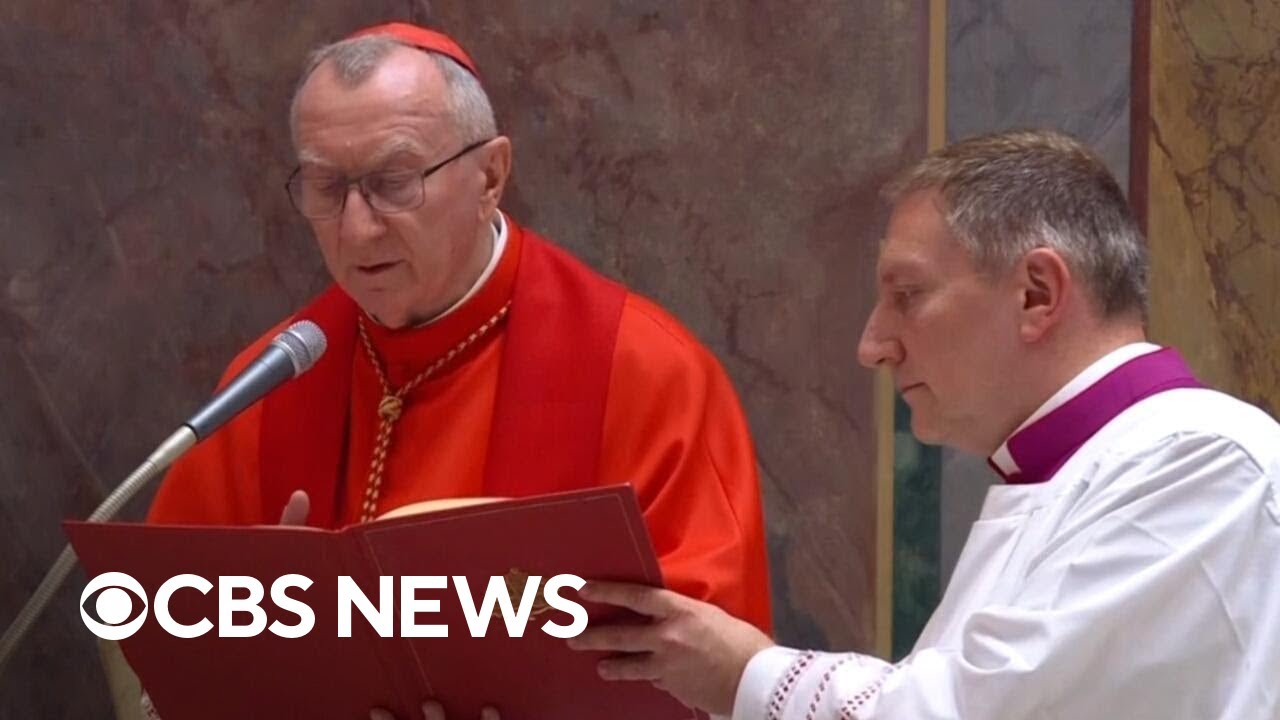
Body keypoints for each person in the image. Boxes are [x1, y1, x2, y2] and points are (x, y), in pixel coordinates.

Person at [569, 129, 1280, 719]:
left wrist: (745, 674)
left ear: (1037, 294)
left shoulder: (1200, 460)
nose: (872, 345)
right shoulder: (1072, 471)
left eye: (907, 296)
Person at [145, 19, 771, 651]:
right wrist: (251, 637)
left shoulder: (647, 374)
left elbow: (718, 675)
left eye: (394, 183)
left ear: (490, 177)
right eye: (328, 187)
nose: (357, 230)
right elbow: (168, 649)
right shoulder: (265, 388)